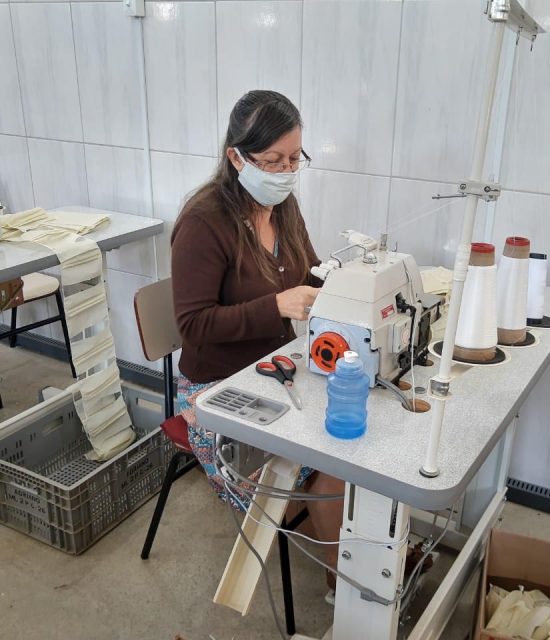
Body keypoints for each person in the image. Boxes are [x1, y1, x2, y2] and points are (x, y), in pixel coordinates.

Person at [171, 90, 343, 584]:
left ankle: (356, 569)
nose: (286, 172)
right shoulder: (204, 222)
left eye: (294, 159)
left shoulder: (283, 207)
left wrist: (343, 283)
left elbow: (309, 274)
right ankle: (347, 579)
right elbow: (193, 325)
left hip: (274, 369)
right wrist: (276, 307)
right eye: (272, 161)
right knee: (324, 473)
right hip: (215, 391)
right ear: (236, 157)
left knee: (350, 449)